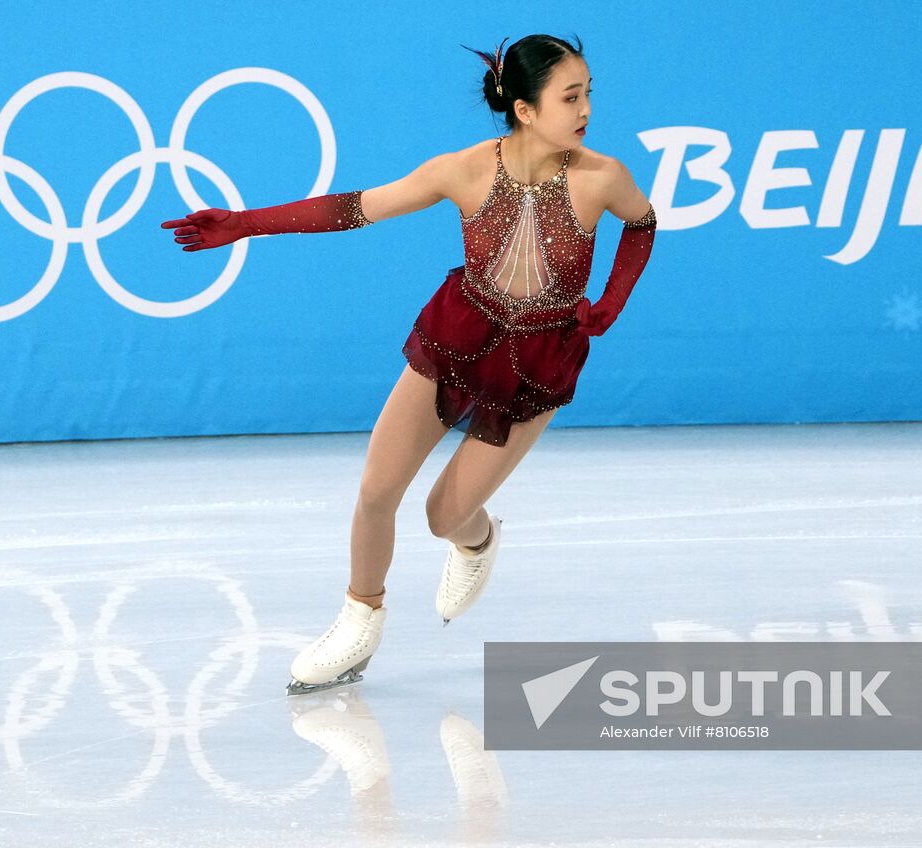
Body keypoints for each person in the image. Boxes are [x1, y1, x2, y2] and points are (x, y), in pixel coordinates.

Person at [161, 34, 657, 696]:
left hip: (537, 364)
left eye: (589, 93)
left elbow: (643, 224)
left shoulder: (604, 178)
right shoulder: (464, 169)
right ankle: (358, 619)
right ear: (525, 109)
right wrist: (247, 223)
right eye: (571, 96)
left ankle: (476, 543)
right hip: (457, 336)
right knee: (375, 490)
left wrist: (613, 300)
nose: (586, 108)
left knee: (442, 517)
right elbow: (355, 208)